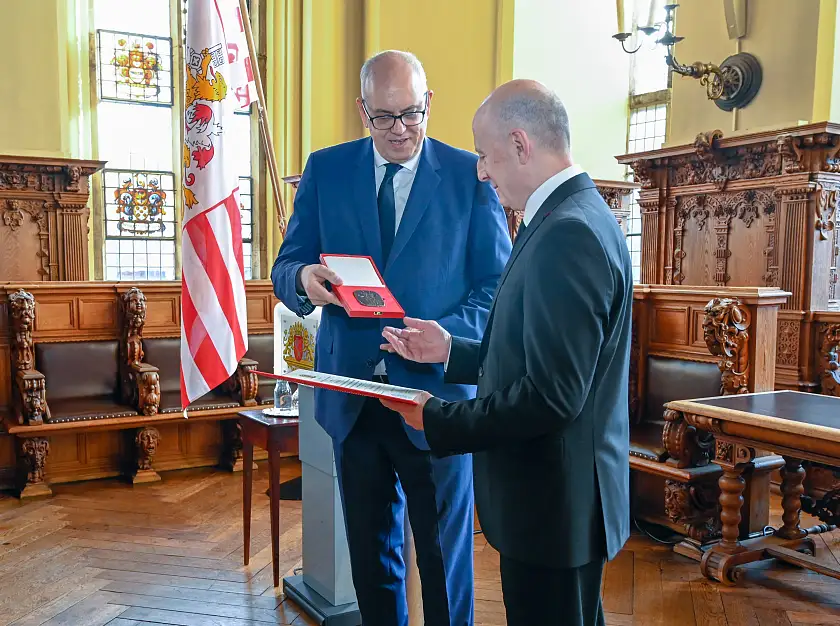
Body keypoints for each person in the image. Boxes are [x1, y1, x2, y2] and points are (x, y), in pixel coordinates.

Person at [271, 50, 512, 626]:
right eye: (384, 117)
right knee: (371, 556)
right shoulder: (327, 171)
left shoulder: (468, 174)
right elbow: (287, 265)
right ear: (363, 111)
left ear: (429, 103)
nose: (400, 129)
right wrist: (304, 279)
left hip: (435, 401)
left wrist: (444, 337)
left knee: (442, 558)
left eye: (411, 113)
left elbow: (496, 288)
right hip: (352, 397)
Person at [380, 79, 632, 626]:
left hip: (552, 506)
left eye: (484, 154)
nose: (481, 170)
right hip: (558, 503)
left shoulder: (568, 233)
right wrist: (452, 351)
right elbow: (541, 353)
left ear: (520, 145)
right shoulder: (574, 215)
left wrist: (438, 417)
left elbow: (551, 396)